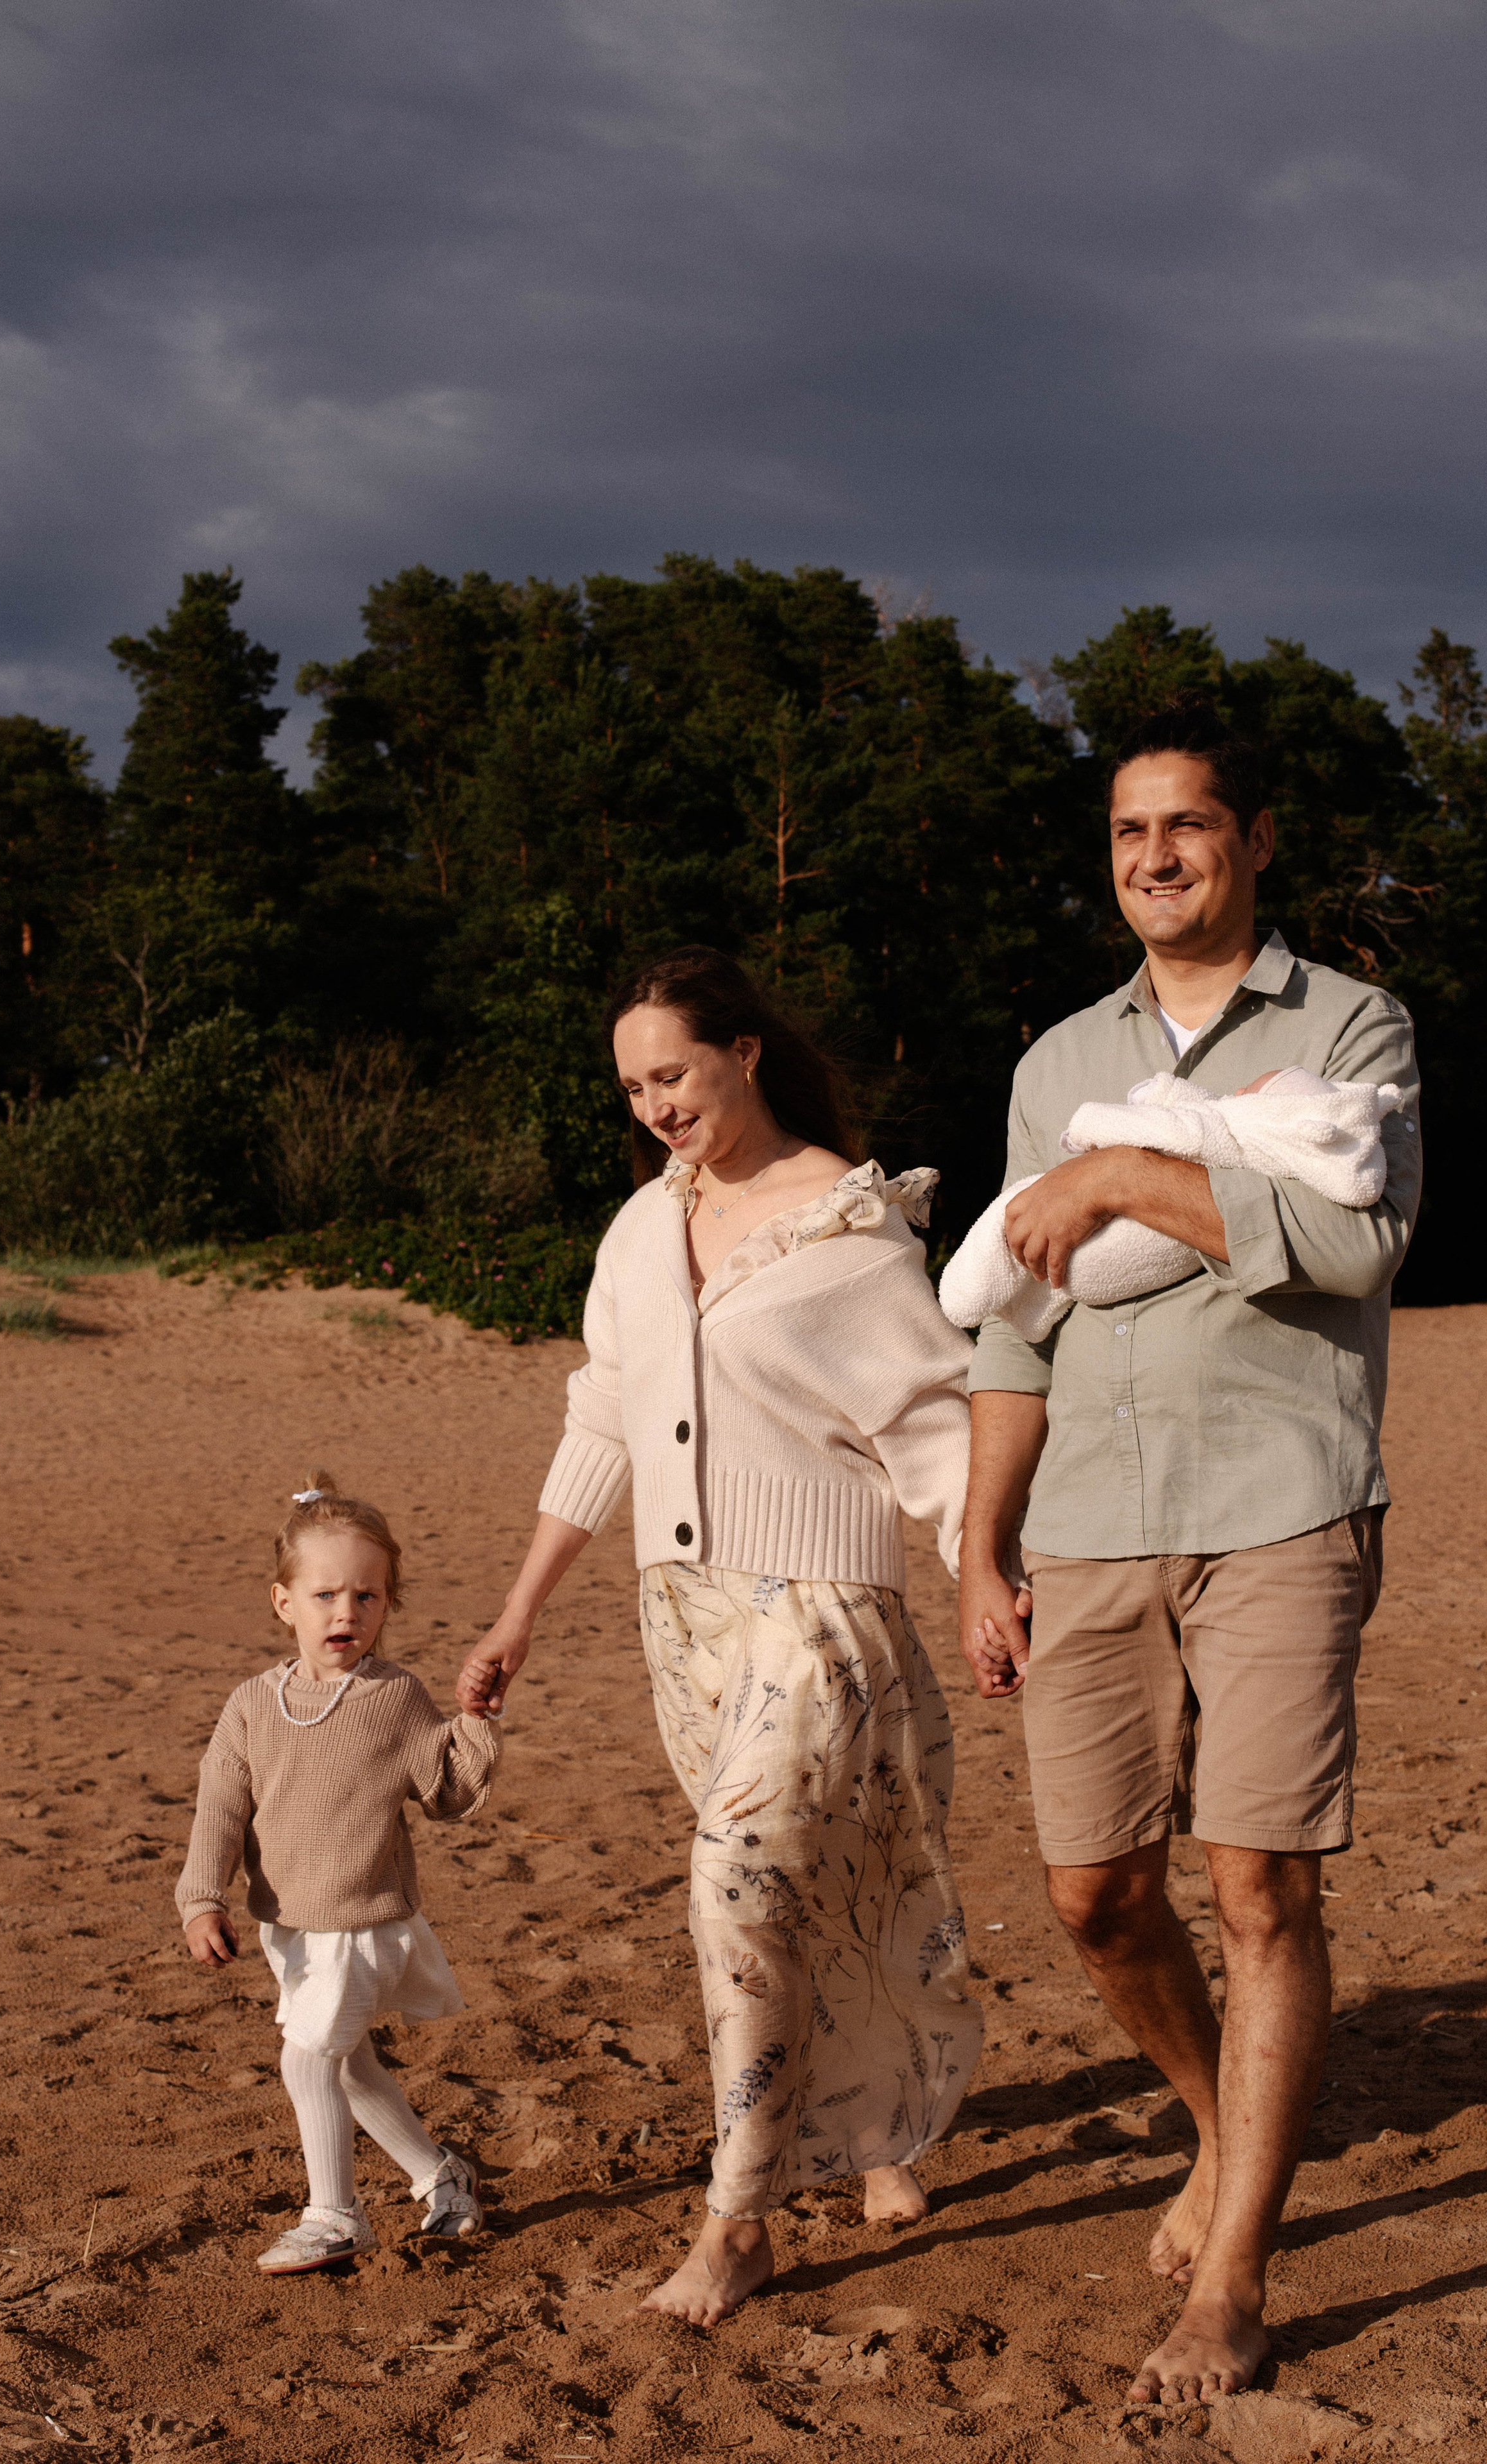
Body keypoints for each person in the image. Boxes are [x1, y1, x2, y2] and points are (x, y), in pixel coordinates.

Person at [958, 704, 1421, 2406]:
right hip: (1082, 1522)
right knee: (1095, 1897)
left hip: (1285, 1494)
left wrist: (1144, 1173)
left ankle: (1232, 2283)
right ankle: (1227, 2130)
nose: (1157, 856)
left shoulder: (1354, 1024)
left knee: (1261, 1887)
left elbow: (1357, 1247)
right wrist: (978, 1549)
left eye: (1190, 827)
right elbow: (1011, 1328)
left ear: (1255, 841)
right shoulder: (1054, 1062)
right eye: (1130, 832)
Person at [457, 945, 981, 2329]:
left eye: (672, 1073)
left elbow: (934, 1429)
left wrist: (986, 1573)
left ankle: (735, 2220)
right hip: (682, 1622)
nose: (654, 1105)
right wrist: (518, 1614)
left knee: (736, 1880)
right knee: (811, 1893)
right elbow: (601, 1416)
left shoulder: (845, 1225)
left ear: (743, 1054)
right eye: (632, 1085)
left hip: (817, 1612)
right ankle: (877, 2133)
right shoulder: (638, 1230)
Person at [176, 1473, 498, 2275]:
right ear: (283, 1602)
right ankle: (440, 2175)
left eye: (368, 1597)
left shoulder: (393, 1698)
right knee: (349, 2064)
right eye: (325, 1595)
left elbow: (448, 1794)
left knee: (307, 2057)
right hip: (292, 1925)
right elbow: (220, 1808)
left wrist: (477, 1723)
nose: (346, 1614)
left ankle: (334, 2216)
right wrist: (201, 1899)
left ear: (387, 1605)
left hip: (364, 1920)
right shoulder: (252, 1704)